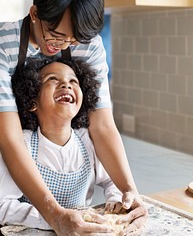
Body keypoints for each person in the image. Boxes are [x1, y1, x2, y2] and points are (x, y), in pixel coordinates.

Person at [0, 0, 147, 235]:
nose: (63, 46)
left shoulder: (87, 45)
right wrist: (54, 216)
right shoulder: (3, 44)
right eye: (56, 36)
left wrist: (129, 190)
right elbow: (9, 138)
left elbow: (102, 125)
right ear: (34, 13)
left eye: (73, 40)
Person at [1, 57, 144, 236]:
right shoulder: (22, 145)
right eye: (53, 79)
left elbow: (111, 180)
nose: (66, 85)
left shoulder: (88, 141)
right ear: (32, 102)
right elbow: (3, 205)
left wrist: (116, 199)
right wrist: (51, 219)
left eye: (73, 81)